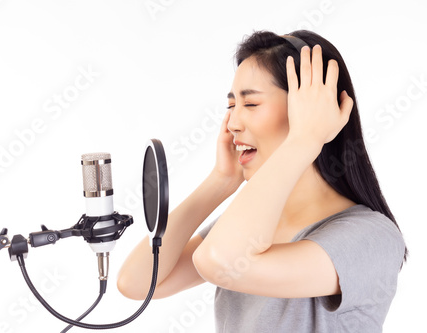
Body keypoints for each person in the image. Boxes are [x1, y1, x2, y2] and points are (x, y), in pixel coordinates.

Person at [117, 30, 407, 332]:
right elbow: (136, 282)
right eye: (231, 106)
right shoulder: (247, 227)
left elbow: (220, 262)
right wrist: (221, 181)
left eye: (251, 104)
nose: (232, 123)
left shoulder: (371, 236)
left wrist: (306, 139)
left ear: (313, 109)